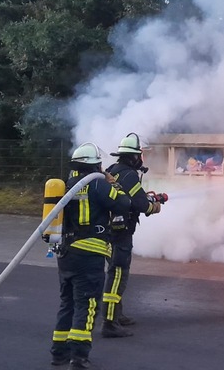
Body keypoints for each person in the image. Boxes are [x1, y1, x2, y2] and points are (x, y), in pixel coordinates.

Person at [50, 142, 132, 369]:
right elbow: (124, 203)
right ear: (96, 164)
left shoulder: (67, 185)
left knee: (67, 303)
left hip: (65, 253)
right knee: (86, 306)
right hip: (89, 254)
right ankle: (79, 357)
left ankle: (58, 354)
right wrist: (114, 182)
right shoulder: (98, 185)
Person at [101, 133, 164, 338]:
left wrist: (149, 198)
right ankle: (110, 323)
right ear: (133, 157)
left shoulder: (113, 171)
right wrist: (154, 206)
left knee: (116, 272)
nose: (141, 159)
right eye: (139, 155)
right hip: (120, 234)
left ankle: (117, 315)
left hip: (110, 231)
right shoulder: (129, 174)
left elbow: (131, 196)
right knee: (118, 274)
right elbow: (140, 204)